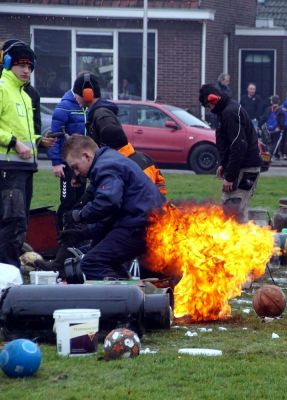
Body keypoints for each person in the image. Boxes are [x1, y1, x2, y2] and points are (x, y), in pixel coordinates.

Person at [59, 135, 165, 280]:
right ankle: (127, 292)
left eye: (75, 167)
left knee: (92, 263)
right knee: (105, 260)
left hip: (141, 226)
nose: (76, 173)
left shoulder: (105, 166)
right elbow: (113, 214)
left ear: (86, 156)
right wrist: (85, 233)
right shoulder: (108, 160)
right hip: (144, 223)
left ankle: (122, 298)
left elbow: (108, 202)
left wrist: (79, 215)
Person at [0, 40, 56, 268]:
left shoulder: (24, 93)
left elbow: (25, 134)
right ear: (8, 63)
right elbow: (12, 136)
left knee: (20, 222)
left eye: (30, 67)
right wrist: (14, 143)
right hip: (8, 169)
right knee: (13, 222)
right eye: (21, 65)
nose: (26, 71)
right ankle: (7, 270)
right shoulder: (2, 88)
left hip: (25, 169)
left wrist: (39, 141)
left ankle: (9, 268)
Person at [71, 72, 167, 196]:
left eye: (77, 94)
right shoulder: (97, 113)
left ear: (87, 93)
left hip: (118, 170)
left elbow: (116, 138)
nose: (75, 98)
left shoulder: (101, 114)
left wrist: (106, 165)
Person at [199, 84, 262, 222]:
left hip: (246, 169)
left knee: (233, 211)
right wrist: (223, 164)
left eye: (209, 106)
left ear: (214, 100)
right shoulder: (225, 111)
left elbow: (238, 146)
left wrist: (230, 177)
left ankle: (242, 242)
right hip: (240, 167)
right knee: (229, 208)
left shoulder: (229, 113)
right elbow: (227, 143)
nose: (210, 110)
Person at [48, 88, 87, 229]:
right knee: (68, 200)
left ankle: (75, 231)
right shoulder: (63, 108)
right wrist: (56, 163)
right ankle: (59, 232)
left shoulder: (86, 107)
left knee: (81, 200)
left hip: (83, 165)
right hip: (67, 164)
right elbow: (55, 137)